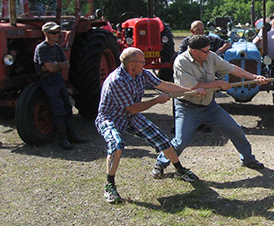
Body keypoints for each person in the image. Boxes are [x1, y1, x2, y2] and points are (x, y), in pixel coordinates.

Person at [95, 47, 204, 204]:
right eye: (142, 62)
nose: (144, 64)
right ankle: (110, 186)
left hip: (130, 116)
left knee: (164, 141)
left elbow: (164, 85)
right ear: (132, 64)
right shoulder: (117, 81)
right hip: (110, 118)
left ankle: (180, 170)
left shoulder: (141, 73)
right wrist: (156, 100)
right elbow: (134, 108)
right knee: (116, 145)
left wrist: (190, 92)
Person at [153, 35, 267, 179]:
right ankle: (160, 164)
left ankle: (248, 159)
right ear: (194, 51)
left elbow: (231, 68)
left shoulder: (210, 56)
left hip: (209, 106)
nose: (209, 53)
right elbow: (193, 87)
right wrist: (218, 84)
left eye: (209, 50)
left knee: (235, 129)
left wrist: (253, 76)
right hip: (188, 107)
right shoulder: (181, 62)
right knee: (181, 141)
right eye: (205, 51)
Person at [33, 22, 87, 150]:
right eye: (53, 33)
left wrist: (55, 64)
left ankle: (72, 135)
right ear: (46, 34)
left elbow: (67, 65)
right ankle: (63, 139)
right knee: (58, 109)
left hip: (58, 78)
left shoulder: (57, 47)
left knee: (67, 106)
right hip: (48, 80)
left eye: (58, 32)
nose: (57, 35)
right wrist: (57, 65)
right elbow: (50, 68)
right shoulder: (42, 48)